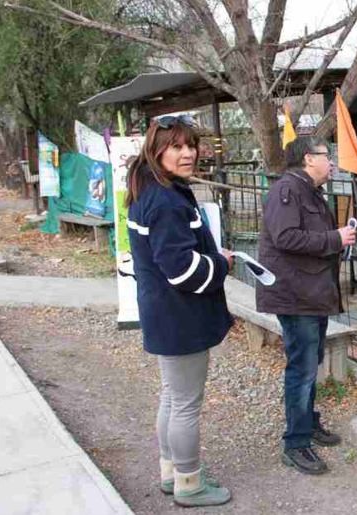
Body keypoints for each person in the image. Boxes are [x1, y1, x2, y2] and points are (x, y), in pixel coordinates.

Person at [126, 115, 233, 507]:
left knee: (172, 396)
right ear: (157, 150)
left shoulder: (150, 187)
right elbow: (182, 268)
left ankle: (172, 472)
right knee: (185, 402)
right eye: (177, 146)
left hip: (163, 314)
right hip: (180, 317)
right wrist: (221, 263)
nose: (188, 153)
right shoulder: (166, 200)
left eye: (191, 145)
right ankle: (189, 483)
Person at [256, 135, 357, 475]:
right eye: (326, 155)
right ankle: (295, 443)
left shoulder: (309, 190)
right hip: (295, 294)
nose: (332, 162)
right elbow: (285, 238)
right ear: (307, 159)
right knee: (301, 368)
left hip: (312, 292)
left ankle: (307, 422)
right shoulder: (287, 191)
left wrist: (338, 238)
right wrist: (335, 238)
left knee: (310, 363)